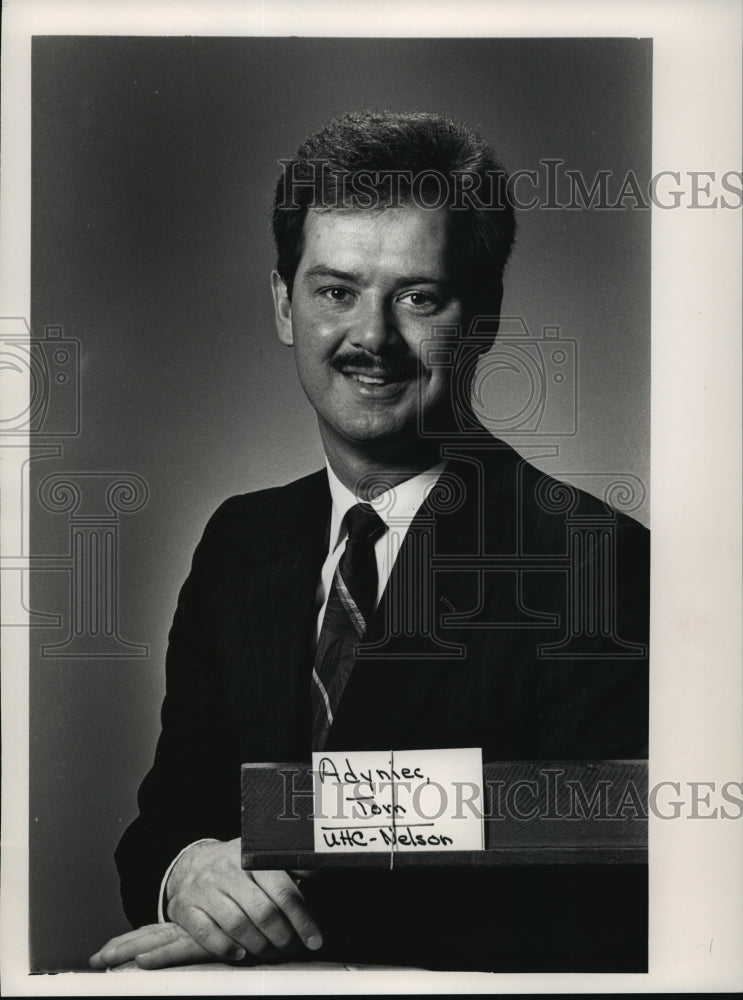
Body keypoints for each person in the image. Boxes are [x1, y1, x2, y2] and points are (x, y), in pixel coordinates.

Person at [90, 110, 649, 973]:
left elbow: (601, 906)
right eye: (334, 290)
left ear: (484, 316)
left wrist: (301, 916)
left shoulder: (592, 560)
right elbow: (168, 820)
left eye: (417, 297)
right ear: (284, 305)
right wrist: (186, 872)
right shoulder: (240, 542)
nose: (372, 339)